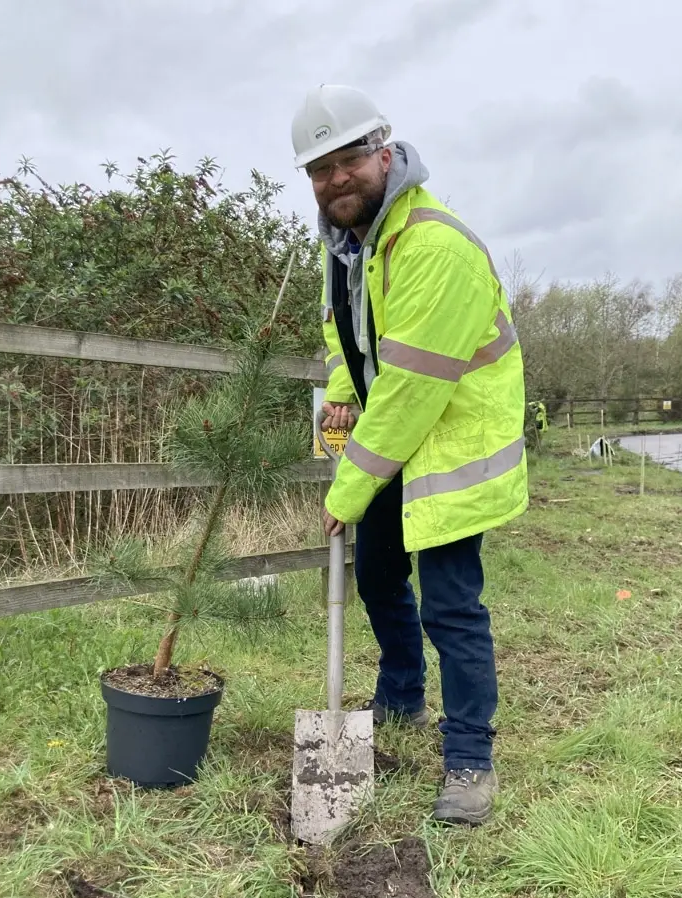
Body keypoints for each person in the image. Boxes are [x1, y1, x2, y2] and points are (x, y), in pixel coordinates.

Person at [291, 85, 529, 825]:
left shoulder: (434, 245)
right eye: (320, 169)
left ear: (384, 152)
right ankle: (399, 699)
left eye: (349, 160)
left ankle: (468, 760)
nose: (336, 179)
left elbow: (410, 392)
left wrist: (345, 493)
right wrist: (338, 386)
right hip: (393, 446)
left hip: (452, 448)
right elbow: (347, 339)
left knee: (452, 606)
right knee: (381, 578)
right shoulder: (346, 247)